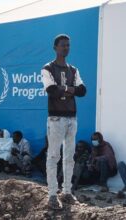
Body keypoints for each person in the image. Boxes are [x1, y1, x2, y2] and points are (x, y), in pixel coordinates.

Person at [41, 34, 86, 209]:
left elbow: (83, 90)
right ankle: (52, 194)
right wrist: (70, 90)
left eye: (68, 45)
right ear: (55, 47)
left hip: (71, 118)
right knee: (53, 156)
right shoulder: (47, 68)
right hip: (56, 118)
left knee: (69, 158)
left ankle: (67, 192)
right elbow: (51, 90)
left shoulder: (73, 70)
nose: (66, 48)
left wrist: (66, 90)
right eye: (62, 45)